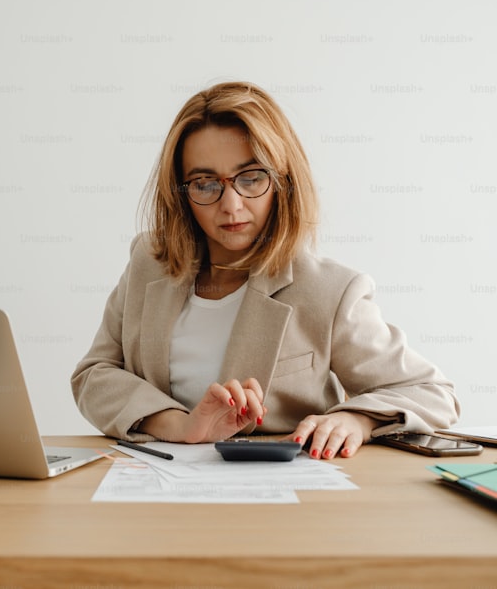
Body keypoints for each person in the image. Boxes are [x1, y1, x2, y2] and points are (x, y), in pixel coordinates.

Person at [71, 81, 460, 459]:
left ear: (283, 181)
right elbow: (94, 374)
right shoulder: (148, 262)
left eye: (251, 177)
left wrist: (357, 419)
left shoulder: (330, 290)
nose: (231, 205)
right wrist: (180, 426)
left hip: (282, 496)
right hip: (157, 485)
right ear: (181, 192)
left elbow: (432, 392)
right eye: (205, 183)